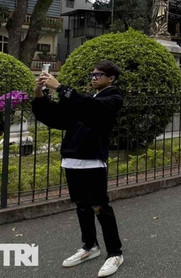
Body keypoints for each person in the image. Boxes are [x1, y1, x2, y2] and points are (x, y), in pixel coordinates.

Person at [32, 60, 125, 277]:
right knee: (82, 206)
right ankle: (90, 246)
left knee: (100, 207)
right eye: (91, 75)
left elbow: (91, 109)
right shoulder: (85, 98)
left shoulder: (113, 98)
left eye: (98, 75)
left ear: (110, 78)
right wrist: (39, 95)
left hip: (93, 160)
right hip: (72, 159)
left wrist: (60, 88)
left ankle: (115, 252)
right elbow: (56, 118)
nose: (93, 78)